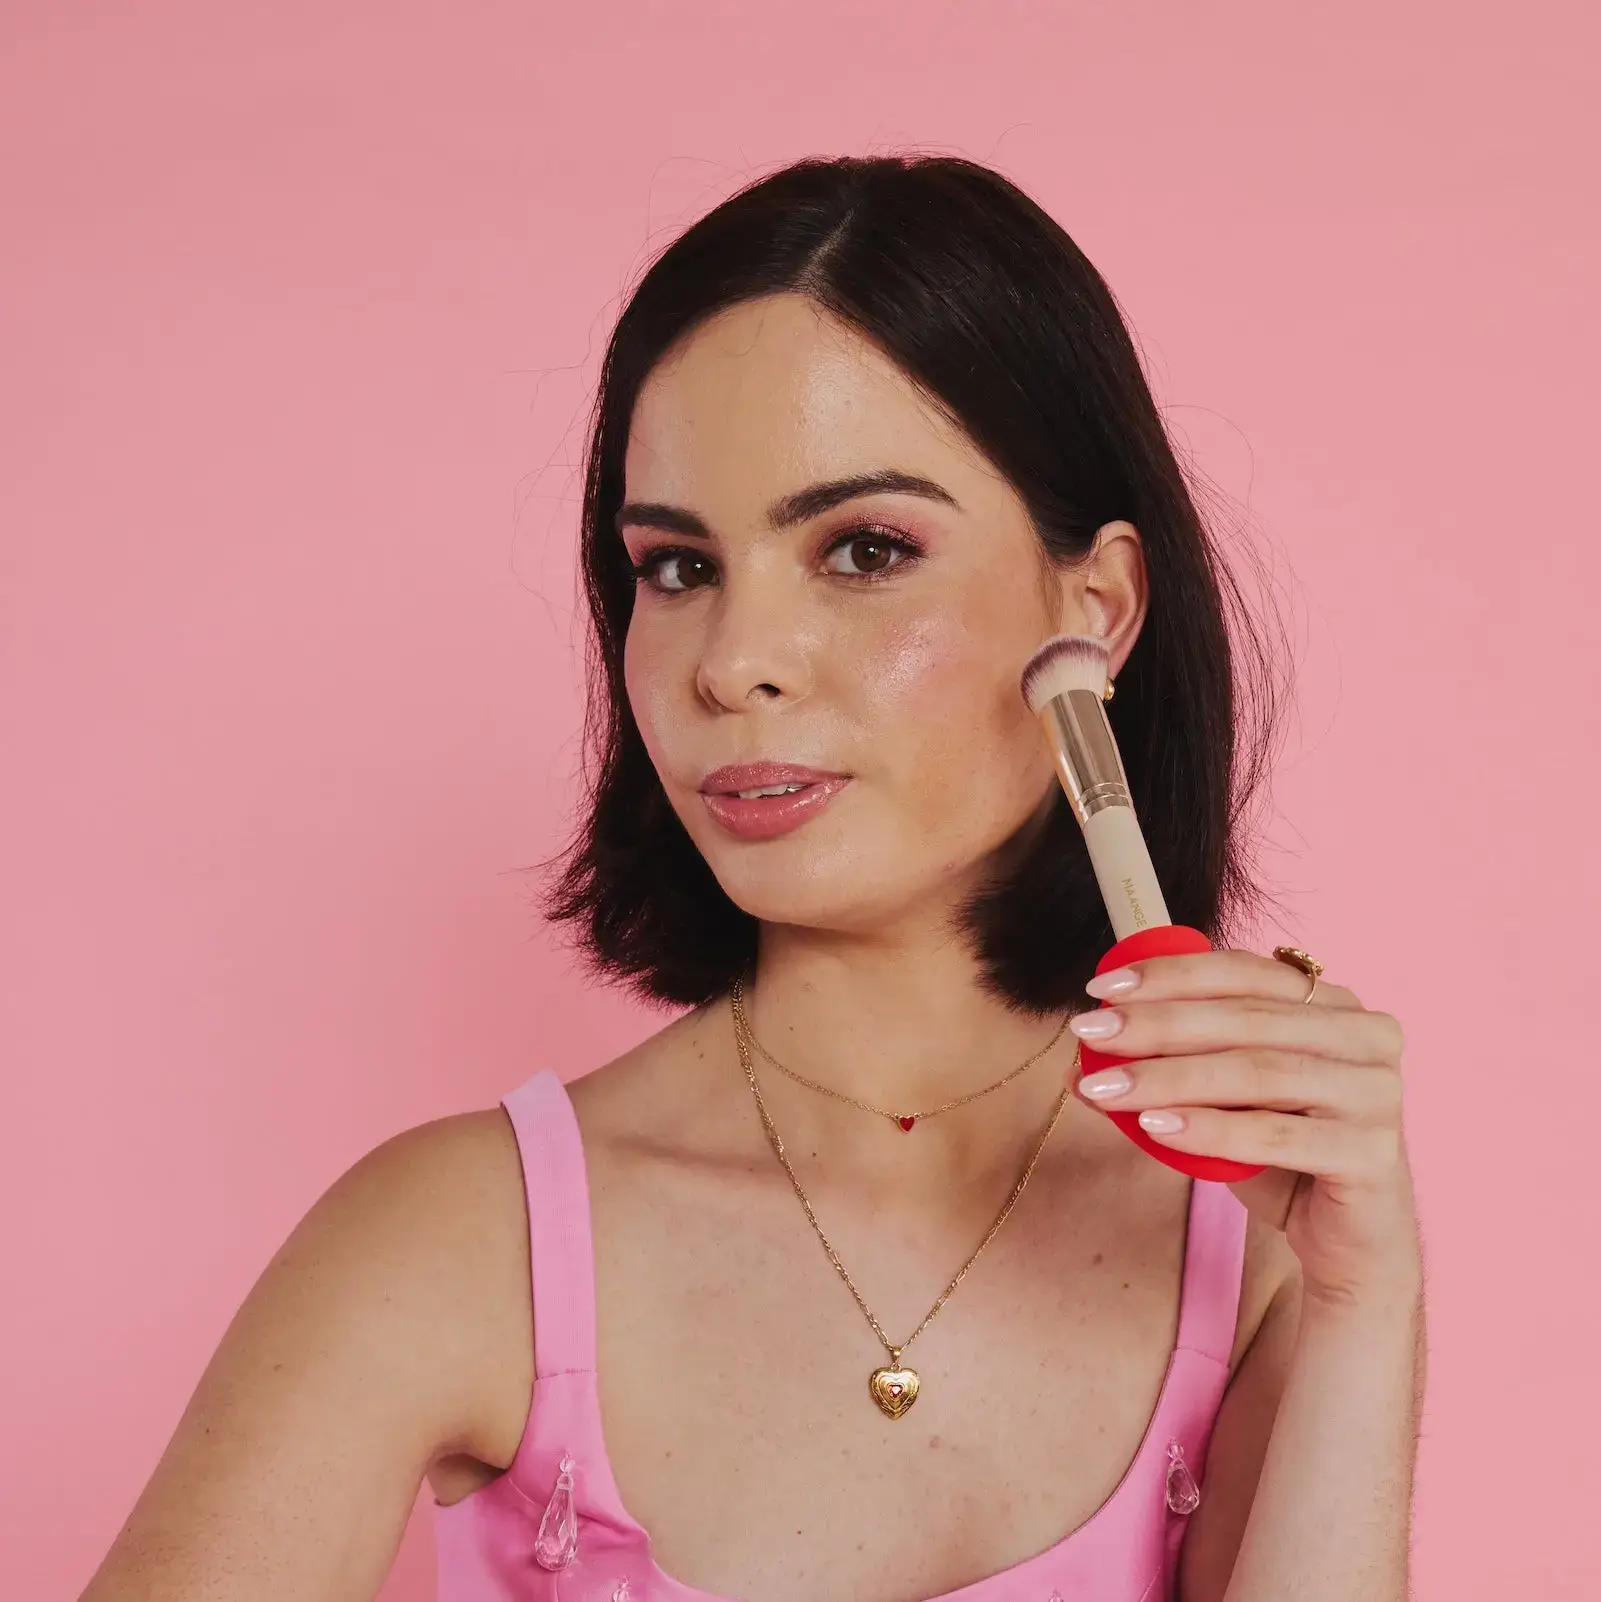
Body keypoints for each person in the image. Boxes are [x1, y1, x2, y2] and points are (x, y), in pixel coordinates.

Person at [80, 155, 1424, 1602]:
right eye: (677, 568)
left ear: (1093, 609)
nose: (731, 664)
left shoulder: (1254, 1251)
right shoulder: (463, 1239)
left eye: (864, 549)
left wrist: (1367, 1301)